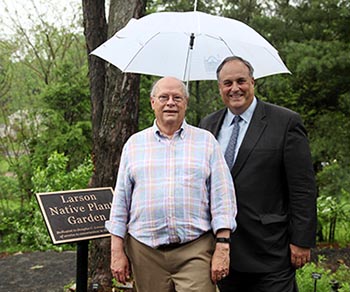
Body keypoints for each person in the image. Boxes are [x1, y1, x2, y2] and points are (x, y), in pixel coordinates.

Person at [105, 76, 237, 292]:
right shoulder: (134, 145)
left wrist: (223, 247)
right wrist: (116, 251)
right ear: (152, 102)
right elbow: (120, 202)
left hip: (195, 249)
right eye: (164, 97)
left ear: (185, 103)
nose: (170, 102)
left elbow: (223, 199)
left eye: (177, 97)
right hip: (145, 251)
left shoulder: (206, 142)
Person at [199, 56, 317, 292]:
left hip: (271, 250)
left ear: (253, 82)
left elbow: (303, 187)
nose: (235, 88)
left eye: (241, 81)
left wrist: (301, 240)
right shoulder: (207, 126)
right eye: (227, 83)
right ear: (220, 88)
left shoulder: (285, 122)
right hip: (223, 250)